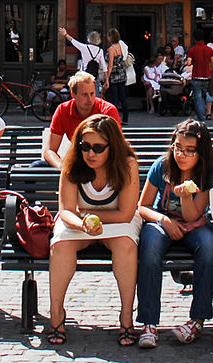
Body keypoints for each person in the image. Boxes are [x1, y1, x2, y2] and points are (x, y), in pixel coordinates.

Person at [45, 113, 141, 346]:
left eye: (98, 148)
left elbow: (126, 213)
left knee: (126, 246)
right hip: (79, 221)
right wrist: (83, 224)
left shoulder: (127, 164)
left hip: (118, 221)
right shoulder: (73, 162)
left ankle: (126, 316)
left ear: (112, 146)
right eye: (85, 146)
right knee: (61, 245)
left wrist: (92, 218)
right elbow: (66, 210)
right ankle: (56, 313)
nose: (91, 153)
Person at [135, 119, 213, 348]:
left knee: (209, 246)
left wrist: (184, 196)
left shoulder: (209, 172)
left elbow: (194, 216)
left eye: (189, 150)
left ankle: (197, 319)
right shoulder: (162, 166)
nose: (182, 155)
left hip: (194, 224)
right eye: (178, 148)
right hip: (161, 221)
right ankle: (148, 322)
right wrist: (163, 220)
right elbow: (143, 207)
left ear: (200, 152)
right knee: (150, 246)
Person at [42, 70, 121, 166]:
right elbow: (49, 150)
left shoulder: (107, 111)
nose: (90, 99)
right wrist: (61, 167)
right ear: (73, 94)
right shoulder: (63, 110)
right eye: (84, 95)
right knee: (35, 167)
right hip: (77, 162)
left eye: (92, 94)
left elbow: (116, 148)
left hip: (104, 163)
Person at [103, 28, 132, 122]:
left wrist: (107, 77)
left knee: (114, 98)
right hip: (122, 74)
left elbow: (110, 64)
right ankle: (126, 118)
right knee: (123, 96)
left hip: (114, 75)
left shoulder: (111, 49)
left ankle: (114, 118)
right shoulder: (121, 46)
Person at [186, 33, 213, 122]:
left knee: (198, 98)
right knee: (204, 96)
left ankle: (202, 116)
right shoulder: (209, 49)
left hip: (196, 76)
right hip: (207, 76)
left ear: (195, 40)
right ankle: (205, 113)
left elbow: (189, 63)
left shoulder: (192, 50)